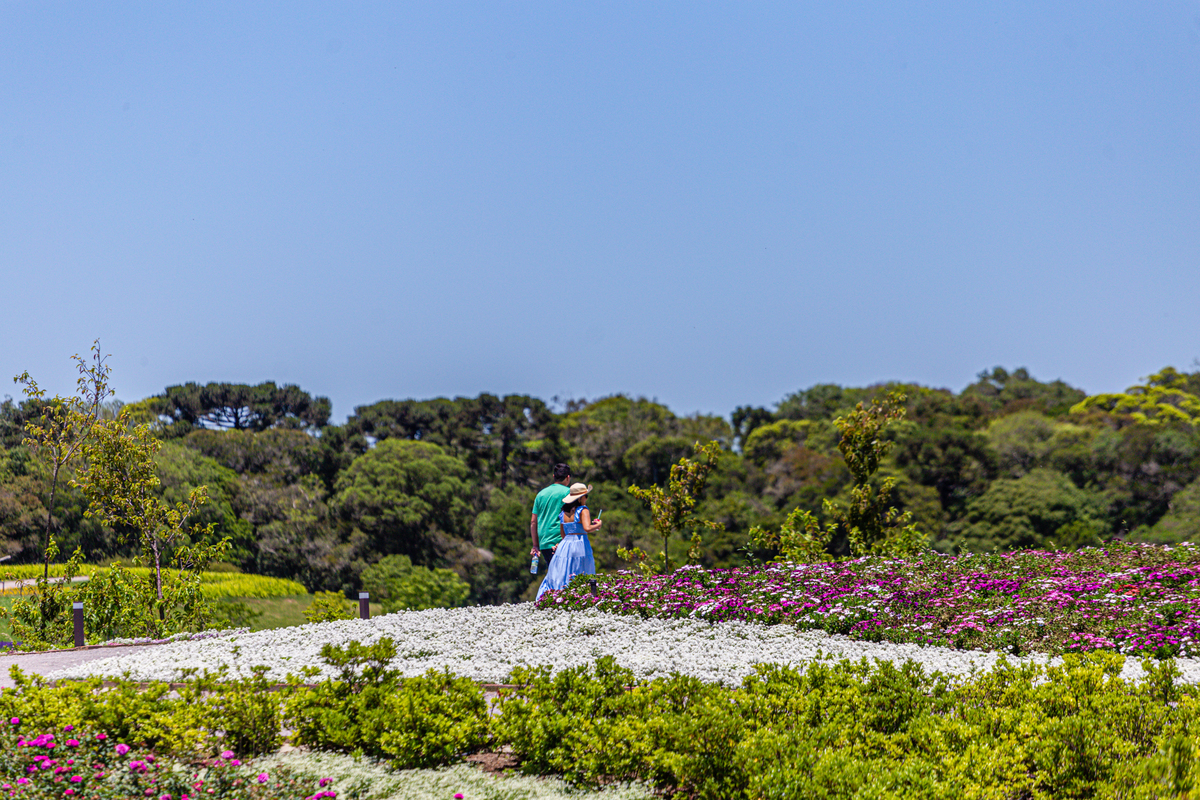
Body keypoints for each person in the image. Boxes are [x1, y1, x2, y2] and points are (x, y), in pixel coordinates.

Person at [535, 482, 600, 601]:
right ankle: (584, 599)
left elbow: (563, 534)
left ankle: (560, 598)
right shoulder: (583, 510)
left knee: (565, 573)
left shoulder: (563, 513)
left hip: (565, 545)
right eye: (586, 496)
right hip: (580, 544)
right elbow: (587, 528)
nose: (586, 499)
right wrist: (598, 525)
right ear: (580, 498)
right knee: (583, 571)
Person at [530, 463, 572, 570]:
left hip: (544, 543)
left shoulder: (540, 494)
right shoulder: (568, 493)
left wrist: (535, 545)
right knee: (566, 578)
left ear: (554, 477)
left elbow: (533, 522)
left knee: (554, 576)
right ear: (568, 477)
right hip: (560, 542)